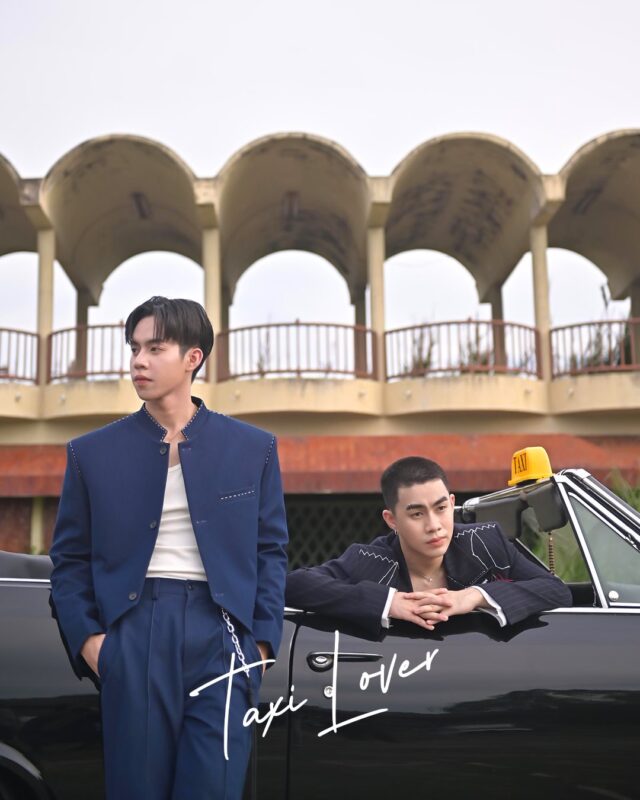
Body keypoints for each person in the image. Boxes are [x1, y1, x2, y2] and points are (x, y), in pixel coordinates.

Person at [49, 296, 288, 800]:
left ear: (192, 358)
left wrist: (261, 646)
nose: (139, 360)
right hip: (133, 632)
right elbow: (69, 561)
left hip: (223, 634)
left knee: (214, 787)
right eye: (134, 348)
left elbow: (271, 552)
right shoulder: (90, 453)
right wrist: (92, 643)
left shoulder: (254, 448)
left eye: (155, 349)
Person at [286, 456, 571, 636]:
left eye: (441, 508)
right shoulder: (368, 559)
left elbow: (556, 590)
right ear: (391, 520)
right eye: (416, 514)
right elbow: (294, 585)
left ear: (452, 502)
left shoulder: (485, 541)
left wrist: (474, 596)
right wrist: (388, 603)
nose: (434, 525)